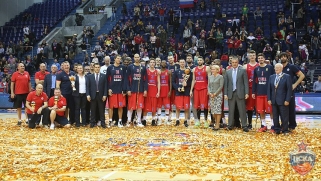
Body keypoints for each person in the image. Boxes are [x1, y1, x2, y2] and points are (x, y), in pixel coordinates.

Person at [280, 52, 305, 130]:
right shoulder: (279, 67)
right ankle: (284, 124)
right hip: (280, 91)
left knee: (290, 108)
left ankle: (292, 125)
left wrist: (295, 84)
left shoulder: (291, 66)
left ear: (287, 58)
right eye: (282, 57)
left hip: (289, 91)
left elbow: (302, 75)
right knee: (282, 108)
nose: (283, 58)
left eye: (285, 57)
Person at [224, 56, 249, 132]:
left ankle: (244, 126)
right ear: (231, 63)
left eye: (236, 62)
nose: (234, 64)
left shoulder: (243, 70)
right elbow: (226, 84)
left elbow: (246, 83)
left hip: (240, 92)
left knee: (242, 110)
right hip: (231, 93)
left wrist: (247, 92)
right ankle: (230, 125)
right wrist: (225, 94)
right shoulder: (228, 71)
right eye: (233, 62)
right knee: (231, 110)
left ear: (238, 63)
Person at [252, 53, 275, 132]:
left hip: (268, 92)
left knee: (271, 110)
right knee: (261, 110)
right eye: (259, 58)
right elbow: (255, 81)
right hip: (259, 92)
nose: (260, 59)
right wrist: (253, 92)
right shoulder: (256, 69)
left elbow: (274, 79)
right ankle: (263, 125)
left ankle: (273, 125)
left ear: (264, 59)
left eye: (262, 58)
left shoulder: (270, 67)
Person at [267, 63, 292, 135]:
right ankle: (277, 129)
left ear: (281, 68)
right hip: (273, 100)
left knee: (284, 116)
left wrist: (287, 100)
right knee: (275, 116)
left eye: (278, 67)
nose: (276, 69)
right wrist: (269, 99)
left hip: (283, 100)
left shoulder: (287, 76)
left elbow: (289, 89)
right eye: (275, 67)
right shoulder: (272, 77)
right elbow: (269, 89)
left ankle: (285, 130)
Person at [126, 54, 148, 127]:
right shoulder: (130, 67)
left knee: (139, 106)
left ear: (140, 58)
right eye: (135, 57)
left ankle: (138, 121)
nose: (137, 58)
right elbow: (127, 79)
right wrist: (128, 89)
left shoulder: (143, 68)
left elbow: (145, 79)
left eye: (138, 57)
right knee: (131, 107)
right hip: (132, 90)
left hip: (140, 90)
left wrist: (145, 89)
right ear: (133, 58)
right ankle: (129, 121)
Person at [106, 55, 127, 127]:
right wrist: (108, 89)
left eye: (120, 58)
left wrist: (124, 90)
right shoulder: (110, 67)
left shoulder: (123, 68)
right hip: (112, 90)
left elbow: (125, 79)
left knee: (120, 106)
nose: (119, 59)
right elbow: (107, 80)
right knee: (111, 107)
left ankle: (120, 121)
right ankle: (110, 121)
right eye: (118, 58)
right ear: (114, 59)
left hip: (120, 90)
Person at [190, 57, 211, 127]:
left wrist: (209, 89)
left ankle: (205, 121)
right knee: (197, 105)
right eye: (198, 60)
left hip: (204, 89)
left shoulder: (207, 68)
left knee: (205, 105)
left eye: (200, 60)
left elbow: (210, 80)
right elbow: (193, 80)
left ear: (203, 61)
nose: (199, 61)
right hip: (196, 89)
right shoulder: (194, 69)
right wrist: (191, 90)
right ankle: (198, 121)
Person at [172, 59, 193, 127]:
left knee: (186, 107)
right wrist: (177, 88)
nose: (182, 63)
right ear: (179, 63)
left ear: (185, 63)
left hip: (186, 91)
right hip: (179, 91)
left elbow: (191, 81)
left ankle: (185, 121)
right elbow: (173, 82)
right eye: (181, 62)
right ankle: (177, 120)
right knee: (178, 107)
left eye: (183, 62)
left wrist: (187, 84)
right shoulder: (176, 71)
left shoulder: (188, 71)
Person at [86, 63, 108, 128]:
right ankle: (92, 123)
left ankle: (103, 123)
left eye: (98, 67)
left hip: (101, 95)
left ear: (100, 68)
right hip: (93, 95)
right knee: (92, 110)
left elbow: (105, 86)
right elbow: (88, 87)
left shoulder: (104, 76)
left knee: (102, 110)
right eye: (96, 67)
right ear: (94, 68)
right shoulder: (90, 76)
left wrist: (105, 95)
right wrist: (88, 95)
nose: (97, 68)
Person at [243, 50, 259, 129]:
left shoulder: (259, 65)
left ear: (255, 56)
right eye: (250, 55)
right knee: (249, 107)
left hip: (258, 89)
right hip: (249, 88)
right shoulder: (245, 66)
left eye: (253, 55)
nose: (252, 57)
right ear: (248, 57)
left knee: (258, 107)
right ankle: (249, 123)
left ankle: (261, 124)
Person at [142, 59, 160, 126]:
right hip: (148, 89)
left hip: (154, 89)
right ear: (149, 63)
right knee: (146, 105)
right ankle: (144, 120)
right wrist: (144, 90)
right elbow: (143, 81)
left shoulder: (157, 71)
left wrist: (158, 92)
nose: (152, 63)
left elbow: (158, 82)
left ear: (155, 64)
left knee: (154, 105)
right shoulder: (146, 71)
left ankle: (153, 120)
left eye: (153, 62)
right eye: (151, 62)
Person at [208, 65, 224, 131]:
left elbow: (221, 86)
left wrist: (215, 93)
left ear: (217, 70)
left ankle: (217, 124)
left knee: (218, 109)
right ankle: (214, 122)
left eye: (214, 69)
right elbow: (208, 85)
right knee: (213, 110)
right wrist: (209, 92)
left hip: (218, 95)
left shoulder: (220, 77)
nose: (212, 70)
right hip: (211, 95)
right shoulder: (210, 77)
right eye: (212, 69)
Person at [157, 60, 172, 125]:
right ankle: (159, 120)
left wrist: (170, 91)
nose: (163, 63)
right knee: (159, 106)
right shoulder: (158, 72)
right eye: (162, 62)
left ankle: (166, 120)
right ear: (160, 63)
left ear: (166, 64)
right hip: (160, 89)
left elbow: (170, 82)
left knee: (167, 106)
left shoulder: (169, 72)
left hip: (166, 89)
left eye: (165, 63)